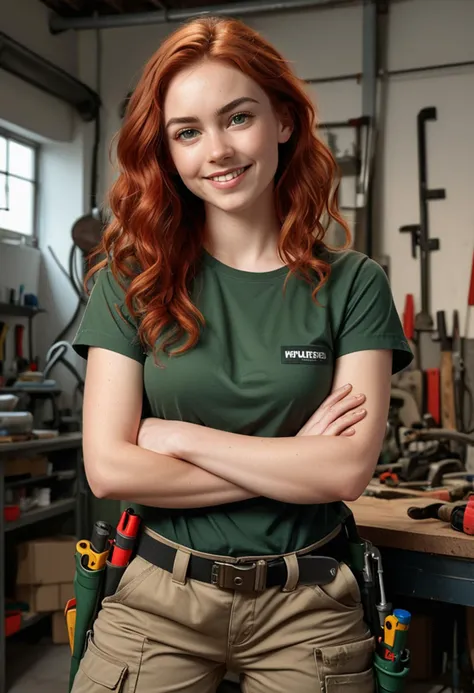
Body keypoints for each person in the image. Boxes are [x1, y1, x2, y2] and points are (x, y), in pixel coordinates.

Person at [71, 15, 413, 693]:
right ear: (165, 151)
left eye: (238, 118)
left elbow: (346, 470)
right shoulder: (126, 280)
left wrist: (176, 436)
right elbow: (109, 467)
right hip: (157, 597)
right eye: (188, 132)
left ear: (283, 121)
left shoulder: (354, 284)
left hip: (307, 605)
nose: (217, 150)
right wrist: (293, 458)